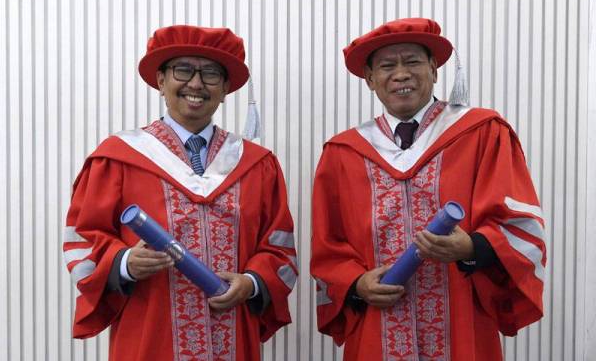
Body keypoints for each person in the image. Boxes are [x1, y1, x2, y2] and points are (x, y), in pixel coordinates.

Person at [310, 18, 545, 360]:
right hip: (378, 329)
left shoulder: (481, 133)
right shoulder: (342, 153)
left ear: (435, 69)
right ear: (370, 79)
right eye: (387, 65)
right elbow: (327, 248)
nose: (401, 74)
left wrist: (473, 246)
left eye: (413, 61)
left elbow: (523, 227)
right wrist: (357, 284)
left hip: (464, 325)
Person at [62, 25, 298, 361]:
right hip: (148, 334)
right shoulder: (117, 158)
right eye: (183, 70)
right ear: (160, 80)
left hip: (231, 333)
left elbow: (279, 248)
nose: (196, 83)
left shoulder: (257, 164)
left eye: (211, 74)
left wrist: (251, 281)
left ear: (227, 87)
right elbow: (82, 240)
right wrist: (125, 262)